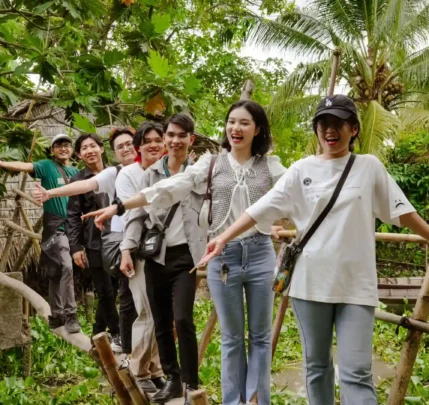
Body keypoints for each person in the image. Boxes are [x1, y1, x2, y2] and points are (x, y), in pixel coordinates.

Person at [198, 95, 429, 405]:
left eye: (338, 123)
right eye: (323, 124)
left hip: (356, 285)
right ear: (316, 130)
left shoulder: (368, 167)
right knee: (316, 368)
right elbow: (260, 209)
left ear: (353, 128)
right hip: (309, 285)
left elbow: (402, 212)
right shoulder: (300, 170)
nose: (330, 130)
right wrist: (223, 238)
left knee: (356, 372)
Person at [83, 101, 286, 405]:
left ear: (258, 129)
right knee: (231, 339)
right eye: (231, 122)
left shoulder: (271, 166)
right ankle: (230, 400)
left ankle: (258, 401)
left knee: (259, 336)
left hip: (259, 253)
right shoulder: (211, 165)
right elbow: (169, 188)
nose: (236, 128)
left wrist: (286, 224)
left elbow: (295, 196)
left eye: (244, 123)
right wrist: (121, 206)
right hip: (222, 256)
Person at [33, 125, 167, 391]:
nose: (127, 149)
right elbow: (79, 196)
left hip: (152, 243)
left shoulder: (159, 170)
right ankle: (131, 356)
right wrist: (74, 244)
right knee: (121, 296)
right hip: (113, 243)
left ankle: (139, 357)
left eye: (131, 144)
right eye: (121, 146)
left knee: (153, 307)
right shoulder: (114, 173)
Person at [116, 113, 203, 404]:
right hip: (157, 254)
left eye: (182, 135)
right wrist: (127, 248)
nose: (175, 140)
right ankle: (173, 379)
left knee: (183, 319)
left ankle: (192, 382)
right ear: (166, 138)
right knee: (161, 321)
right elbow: (137, 214)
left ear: (191, 139)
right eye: (171, 135)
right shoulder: (150, 174)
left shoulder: (201, 171)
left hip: (187, 256)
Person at [0, 134, 81, 333]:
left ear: (72, 150)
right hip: (55, 228)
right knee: (66, 267)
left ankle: (56, 315)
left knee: (56, 273)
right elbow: (23, 166)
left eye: (67, 145)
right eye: (59, 146)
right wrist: (1, 163)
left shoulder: (76, 172)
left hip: (73, 228)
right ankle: (71, 315)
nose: (63, 148)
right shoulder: (46, 166)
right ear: (52, 150)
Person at [65, 133, 122, 352]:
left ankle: (98, 331)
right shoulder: (79, 180)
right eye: (84, 148)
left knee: (114, 288)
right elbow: (72, 215)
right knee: (104, 290)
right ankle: (117, 333)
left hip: (118, 237)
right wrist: (76, 247)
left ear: (101, 148)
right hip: (94, 241)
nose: (89, 151)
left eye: (92, 146)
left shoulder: (117, 173)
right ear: (79, 155)